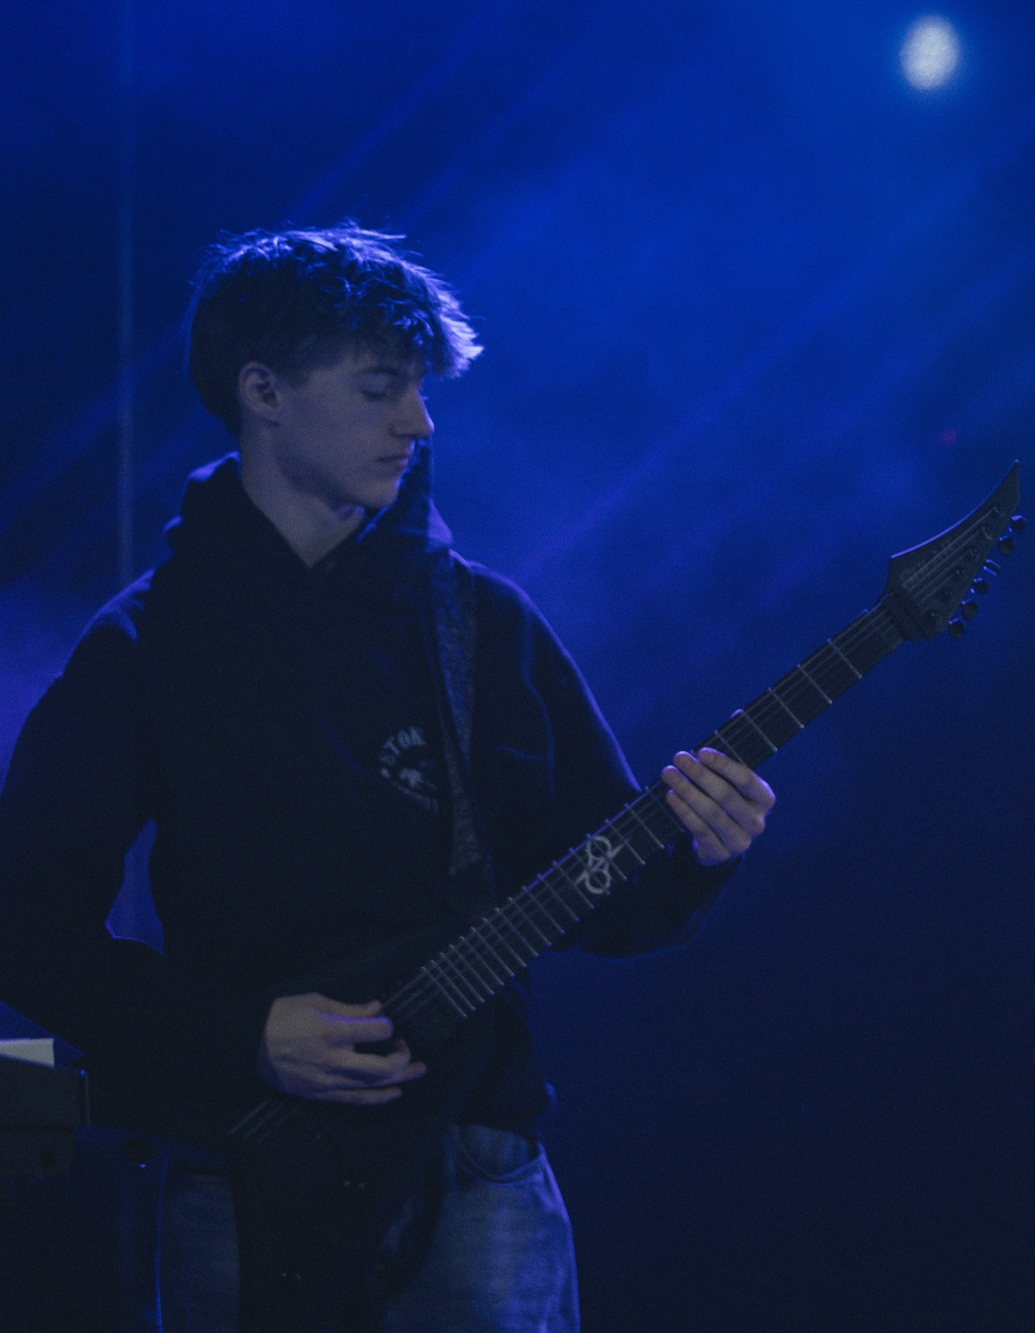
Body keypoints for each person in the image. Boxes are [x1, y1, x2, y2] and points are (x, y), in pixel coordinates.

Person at [0, 226, 776, 1330]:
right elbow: (26, 926)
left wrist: (702, 851)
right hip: (245, 1170)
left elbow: (614, 903)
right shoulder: (145, 643)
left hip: (476, 1165)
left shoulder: (485, 625)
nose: (418, 423)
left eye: (417, 389)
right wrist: (241, 1037)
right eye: (378, 389)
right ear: (260, 389)